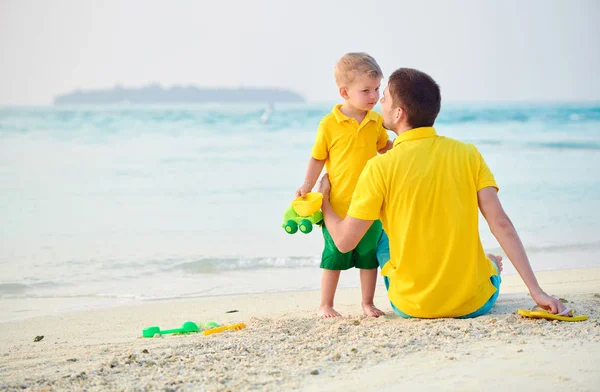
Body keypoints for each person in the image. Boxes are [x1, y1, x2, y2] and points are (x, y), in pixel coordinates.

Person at [317, 67, 567, 318]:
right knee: (484, 260)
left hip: (411, 306)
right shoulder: (468, 153)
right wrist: (537, 292)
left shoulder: (379, 167)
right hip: (474, 303)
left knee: (380, 234)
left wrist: (324, 201)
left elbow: (344, 242)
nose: (378, 102)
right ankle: (487, 264)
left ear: (399, 113)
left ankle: (482, 263)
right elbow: (500, 223)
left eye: (384, 99)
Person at [295, 53, 393, 318]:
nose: (373, 96)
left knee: (368, 256)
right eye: (365, 91)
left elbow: (385, 148)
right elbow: (318, 157)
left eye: (376, 89)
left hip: (370, 202)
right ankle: (326, 304)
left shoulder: (375, 122)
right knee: (334, 256)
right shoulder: (329, 124)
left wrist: (405, 149)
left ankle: (367, 302)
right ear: (344, 92)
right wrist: (307, 184)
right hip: (337, 203)